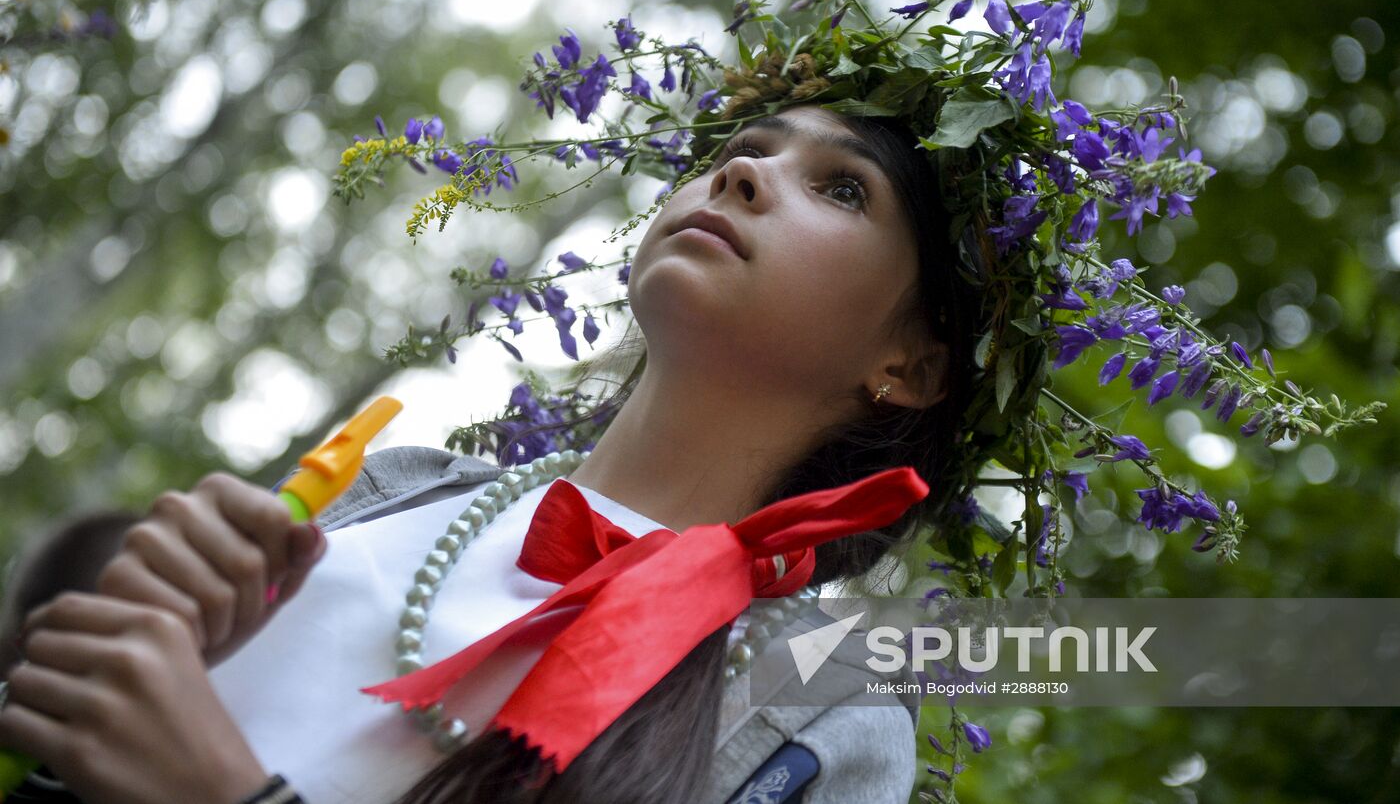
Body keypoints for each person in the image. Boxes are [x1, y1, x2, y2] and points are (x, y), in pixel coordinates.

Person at [0, 102, 980, 804]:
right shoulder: (395, 483)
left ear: (914, 365)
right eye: (741, 147)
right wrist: (102, 648)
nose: (741, 173)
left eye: (840, 187)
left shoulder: (822, 720)